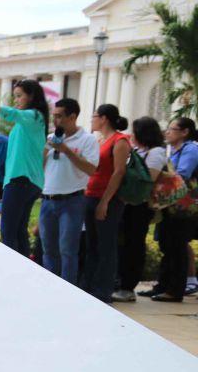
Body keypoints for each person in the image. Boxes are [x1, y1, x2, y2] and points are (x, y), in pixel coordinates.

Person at [0, 79, 49, 256]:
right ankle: (23, 268)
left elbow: (14, 114)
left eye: (19, 96)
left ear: (31, 96)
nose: (16, 100)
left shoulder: (34, 117)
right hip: (27, 181)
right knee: (18, 230)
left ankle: (11, 268)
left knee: (8, 229)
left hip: (21, 179)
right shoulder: (31, 122)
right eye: (15, 96)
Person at [38, 98, 99, 285]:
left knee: (68, 250)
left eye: (59, 116)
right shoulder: (51, 138)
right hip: (47, 199)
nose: (55, 120)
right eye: (54, 116)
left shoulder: (88, 139)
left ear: (72, 117)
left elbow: (91, 169)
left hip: (72, 201)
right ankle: (50, 287)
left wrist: (66, 150)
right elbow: (39, 167)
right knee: (48, 249)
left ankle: (68, 289)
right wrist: (46, 149)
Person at [113, 117, 168, 302]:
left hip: (141, 206)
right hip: (127, 204)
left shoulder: (156, 152)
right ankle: (118, 281)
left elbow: (148, 178)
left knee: (134, 245)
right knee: (122, 243)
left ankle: (128, 286)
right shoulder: (138, 150)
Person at [82, 104, 131, 302]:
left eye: (94, 116)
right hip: (90, 195)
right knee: (91, 244)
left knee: (106, 246)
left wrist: (104, 202)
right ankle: (89, 286)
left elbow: (118, 172)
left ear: (104, 119)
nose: (92, 119)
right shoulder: (99, 140)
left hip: (107, 200)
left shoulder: (120, 141)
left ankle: (103, 290)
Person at [150, 117, 198, 301]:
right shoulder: (172, 150)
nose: (167, 132)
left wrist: (156, 174)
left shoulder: (191, 149)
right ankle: (162, 286)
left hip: (183, 206)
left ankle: (175, 290)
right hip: (170, 204)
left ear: (185, 132)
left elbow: (182, 174)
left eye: (172, 129)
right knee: (167, 245)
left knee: (177, 246)